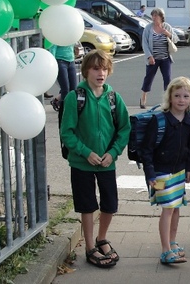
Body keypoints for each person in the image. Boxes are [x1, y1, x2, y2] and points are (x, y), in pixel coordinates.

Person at [60, 50, 131, 269]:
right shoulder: (75, 97)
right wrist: (85, 152)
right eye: (96, 68)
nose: (101, 73)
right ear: (86, 71)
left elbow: (124, 129)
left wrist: (113, 153)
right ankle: (90, 246)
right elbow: (67, 132)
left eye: (104, 69)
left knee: (109, 203)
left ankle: (102, 238)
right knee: (87, 204)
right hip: (82, 163)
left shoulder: (113, 98)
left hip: (107, 162)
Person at [139, 76, 190, 264]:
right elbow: (146, 149)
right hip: (161, 171)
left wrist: (189, 168)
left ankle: (172, 242)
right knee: (168, 209)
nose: (181, 100)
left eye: (186, 96)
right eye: (177, 95)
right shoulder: (160, 120)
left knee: (176, 208)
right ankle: (165, 250)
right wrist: (149, 173)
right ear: (170, 98)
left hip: (180, 171)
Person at [140, 8, 179, 109]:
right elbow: (144, 43)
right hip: (153, 58)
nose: (154, 18)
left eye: (156, 16)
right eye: (153, 16)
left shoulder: (167, 27)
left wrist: (168, 34)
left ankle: (167, 101)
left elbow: (176, 39)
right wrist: (149, 56)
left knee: (168, 79)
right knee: (148, 78)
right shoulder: (148, 28)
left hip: (165, 58)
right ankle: (143, 97)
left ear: (161, 17)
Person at [48, 43, 78, 112]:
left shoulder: (71, 34)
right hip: (60, 61)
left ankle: (59, 102)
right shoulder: (59, 34)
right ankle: (65, 110)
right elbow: (53, 47)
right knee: (65, 89)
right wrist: (52, 63)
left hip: (71, 60)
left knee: (73, 88)